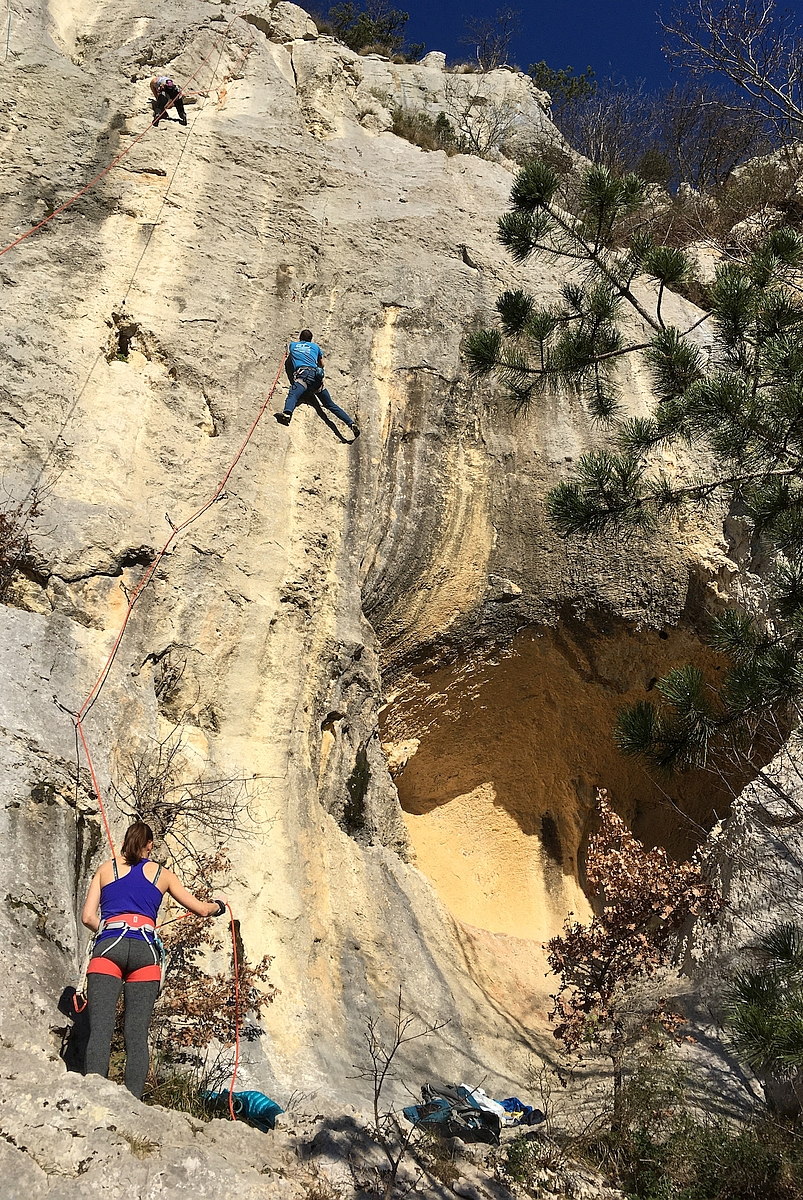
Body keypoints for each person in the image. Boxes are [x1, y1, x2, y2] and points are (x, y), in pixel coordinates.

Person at [81, 820, 226, 1098]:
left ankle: (93, 1100)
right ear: (150, 845)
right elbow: (201, 910)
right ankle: (132, 1104)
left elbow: (88, 917)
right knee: (136, 1034)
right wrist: (219, 905)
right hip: (146, 952)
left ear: (125, 842)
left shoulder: (104, 870)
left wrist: (110, 929)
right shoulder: (164, 875)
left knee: (100, 1030)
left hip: (110, 946)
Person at [275, 329, 360, 438]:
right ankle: (351, 423)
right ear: (311, 339)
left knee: (293, 395)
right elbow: (322, 364)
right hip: (316, 377)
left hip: (303, 376)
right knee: (330, 404)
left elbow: (291, 357)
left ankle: (287, 414)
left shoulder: (293, 345)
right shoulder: (315, 347)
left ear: (300, 338)